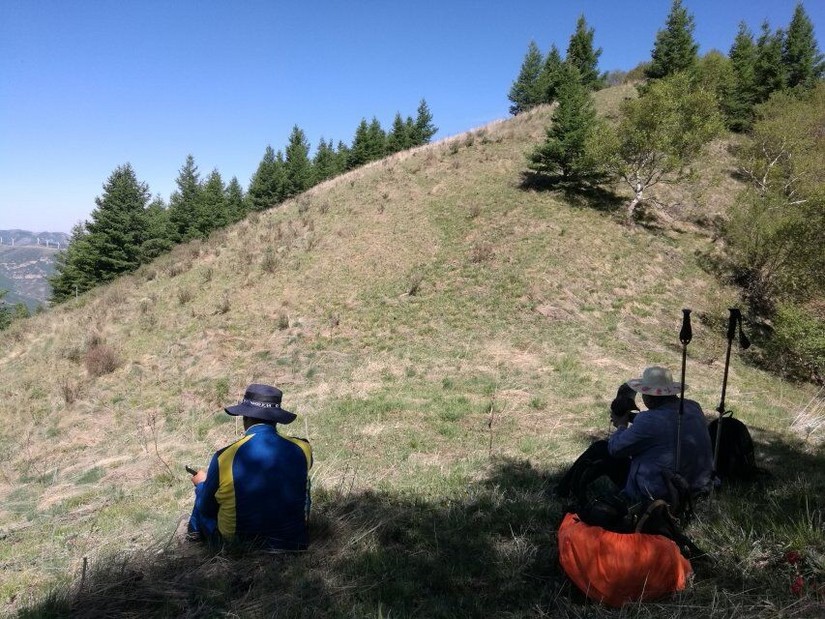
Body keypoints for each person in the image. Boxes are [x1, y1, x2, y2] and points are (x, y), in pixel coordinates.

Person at [187, 383, 313, 550]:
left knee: (202, 495)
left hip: (237, 546)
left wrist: (202, 484)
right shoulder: (303, 448)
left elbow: (207, 509)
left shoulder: (224, 456)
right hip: (293, 542)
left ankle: (193, 534)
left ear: (245, 417)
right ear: (276, 418)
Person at [608, 366, 713, 503]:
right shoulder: (693, 406)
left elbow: (615, 449)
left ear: (649, 398)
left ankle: (575, 493)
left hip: (665, 492)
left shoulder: (649, 420)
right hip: (699, 485)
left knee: (600, 450)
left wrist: (621, 425)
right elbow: (667, 427)